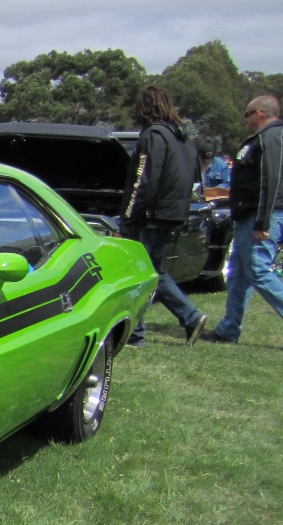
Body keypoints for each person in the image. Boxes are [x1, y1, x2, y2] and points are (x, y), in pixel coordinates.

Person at [119, 86, 206, 346]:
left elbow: (143, 180)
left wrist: (127, 217)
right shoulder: (182, 138)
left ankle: (141, 332)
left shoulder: (153, 135)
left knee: (143, 273)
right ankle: (178, 321)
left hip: (151, 214)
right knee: (151, 270)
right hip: (172, 212)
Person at [204, 95, 283, 344]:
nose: (245, 120)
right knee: (238, 273)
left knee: (258, 271)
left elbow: (271, 180)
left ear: (259, 112)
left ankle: (228, 329)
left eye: (247, 114)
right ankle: (228, 329)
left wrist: (262, 221)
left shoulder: (270, 138)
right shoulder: (261, 139)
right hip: (249, 216)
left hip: (261, 216)